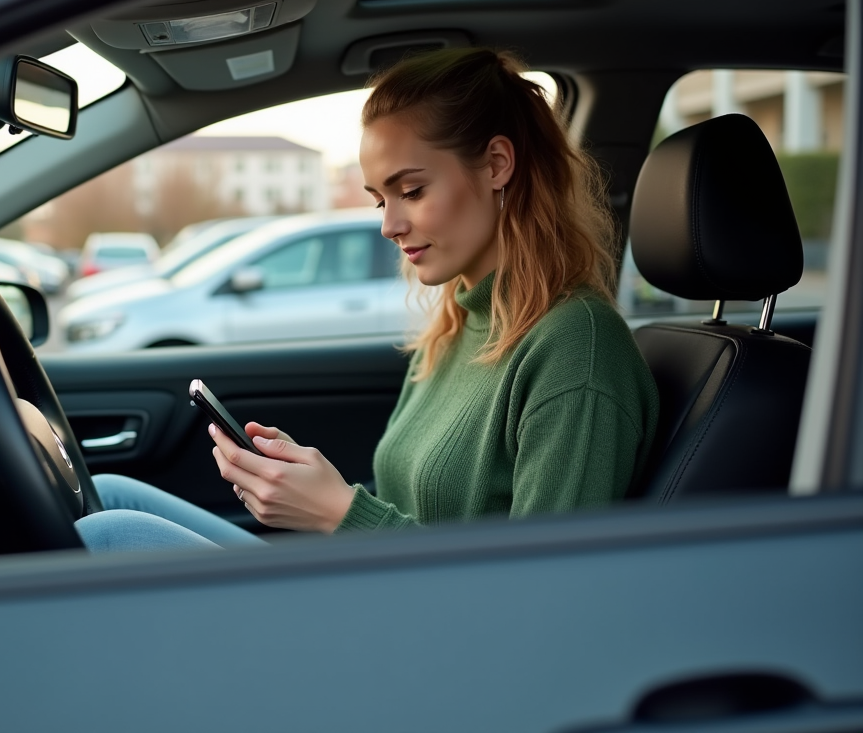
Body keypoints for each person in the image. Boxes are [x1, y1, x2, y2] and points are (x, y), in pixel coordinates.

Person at [74, 48, 659, 552]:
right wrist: (314, 496)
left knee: (111, 536)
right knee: (112, 494)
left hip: (425, 647)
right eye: (381, 199)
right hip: (378, 592)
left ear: (497, 165)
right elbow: (407, 513)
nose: (389, 225)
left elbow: (544, 599)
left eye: (412, 190)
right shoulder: (461, 320)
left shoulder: (576, 350)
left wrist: (338, 512)